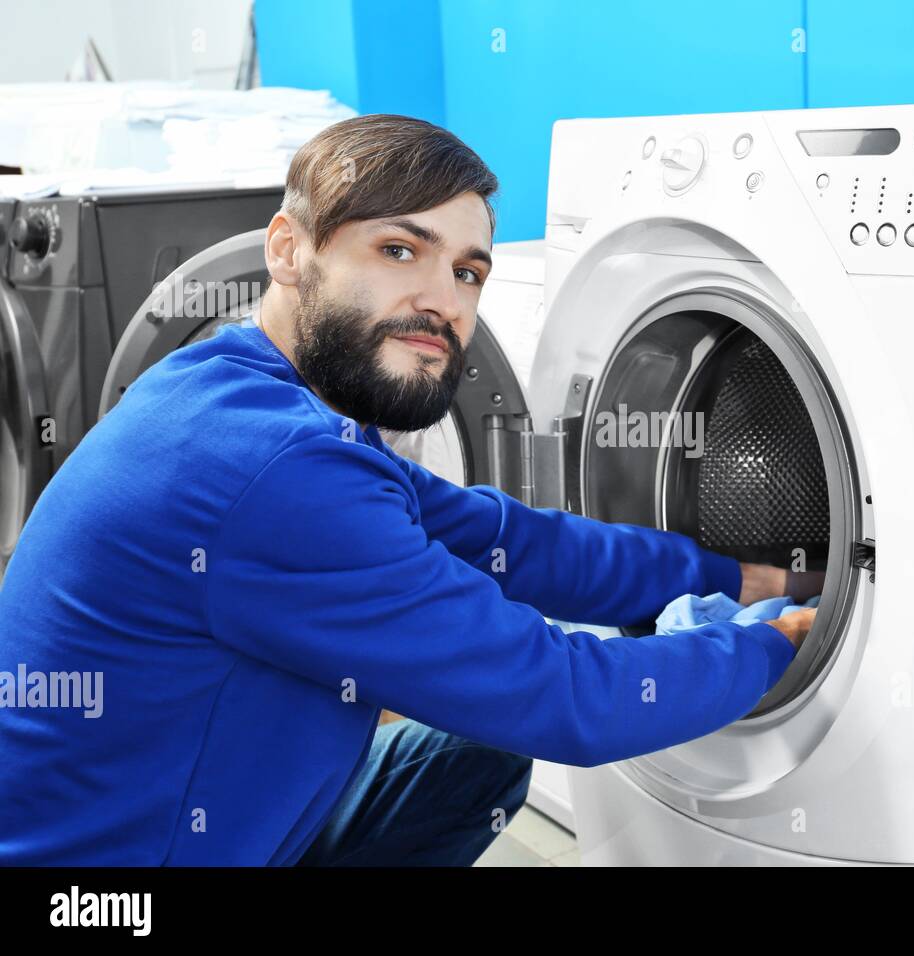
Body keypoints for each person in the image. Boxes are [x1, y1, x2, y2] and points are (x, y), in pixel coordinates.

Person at [0, 115, 818, 866]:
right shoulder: (271, 467)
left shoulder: (229, 387)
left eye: (468, 273)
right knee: (507, 712)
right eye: (399, 251)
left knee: (474, 752)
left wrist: (733, 580)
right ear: (288, 249)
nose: (442, 302)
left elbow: (511, 543)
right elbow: (567, 699)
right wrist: (780, 641)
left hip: (183, 822)